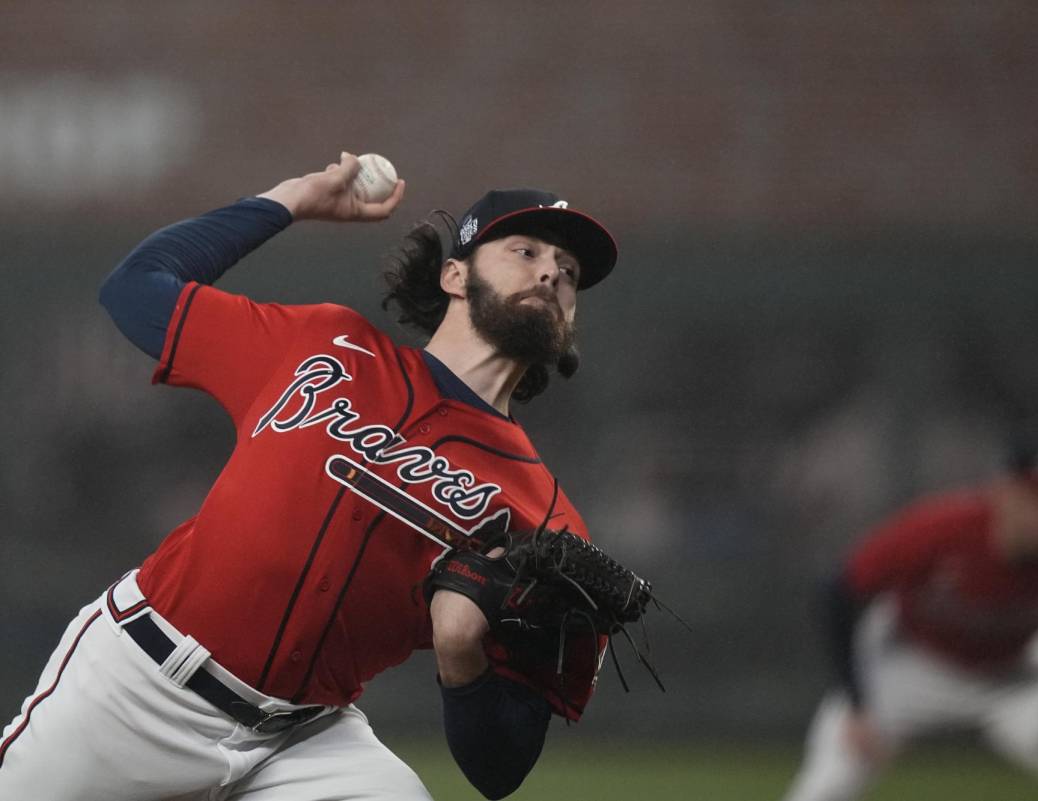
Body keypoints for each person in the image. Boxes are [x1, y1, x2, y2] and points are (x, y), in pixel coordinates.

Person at [0, 153, 621, 800]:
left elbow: (498, 772)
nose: (551, 271)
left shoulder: (542, 516)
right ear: (454, 275)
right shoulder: (323, 345)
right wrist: (289, 198)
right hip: (140, 687)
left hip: (301, 741)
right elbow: (133, 288)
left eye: (570, 273)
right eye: (525, 250)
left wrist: (462, 652)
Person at [782, 424, 1038, 801]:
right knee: (829, 782)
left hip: (1018, 669)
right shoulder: (941, 529)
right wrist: (856, 701)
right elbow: (838, 592)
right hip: (908, 658)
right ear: (1002, 492)